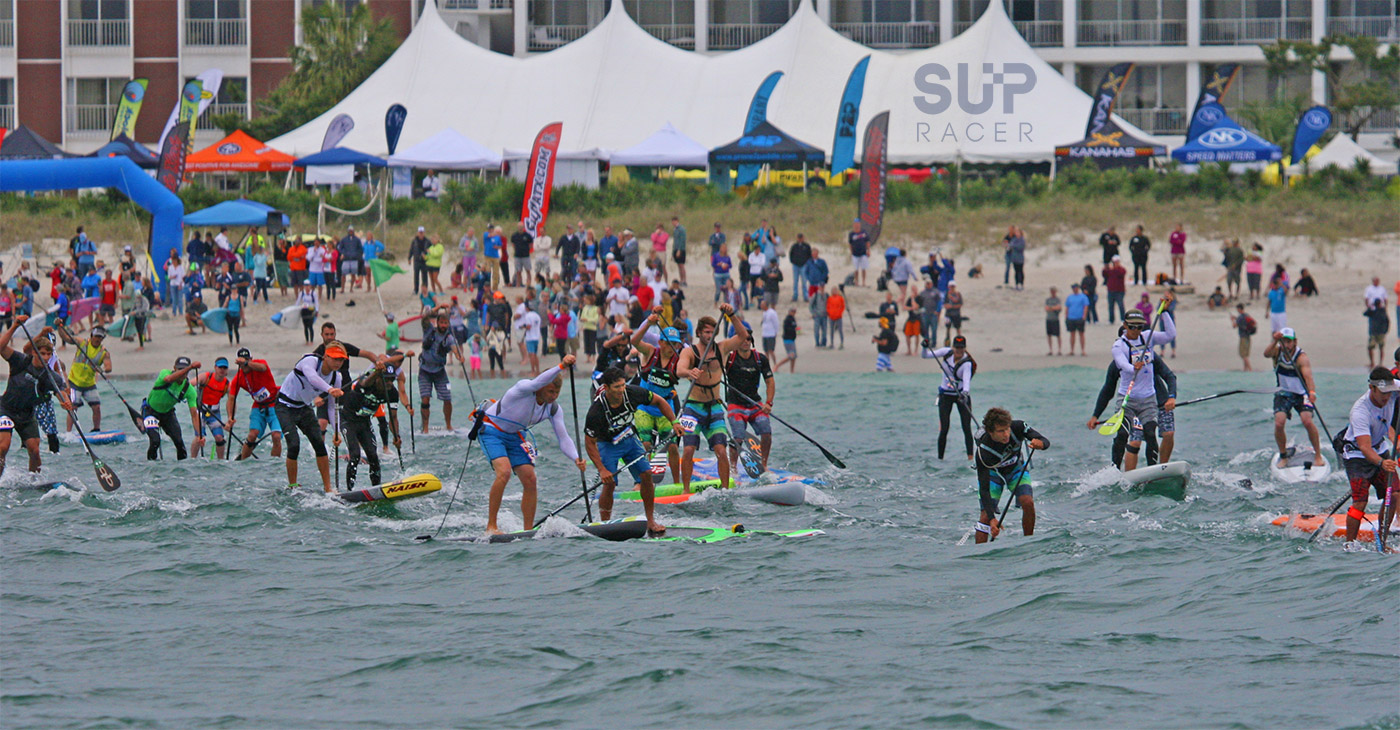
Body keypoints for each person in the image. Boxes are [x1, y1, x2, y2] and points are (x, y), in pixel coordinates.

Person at [477, 354, 589, 534]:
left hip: (515, 435)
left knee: (530, 479)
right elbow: (536, 382)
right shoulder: (523, 388)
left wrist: (576, 458)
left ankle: (527, 530)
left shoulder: (552, 409)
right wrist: (561, 366)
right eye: (550, 391)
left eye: (556, 393)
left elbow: (563, 438)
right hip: (491, 430)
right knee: (504, 472)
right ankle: (491, 526)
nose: (553, 396)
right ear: (541, 386)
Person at [586, 367, 679, 534]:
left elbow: (659, 401)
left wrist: (674, 422)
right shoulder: (596, 411)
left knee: (646, 475)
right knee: (610, 483)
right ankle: (605, 525)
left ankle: (651, 521)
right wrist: (602, 469)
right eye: (617, 387)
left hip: (629, 439)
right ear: (606, 388)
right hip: (607, 444)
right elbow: (590, 443)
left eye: (623, 385)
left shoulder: (632, 392)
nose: (622, 390)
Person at [676, 305, 746, 494]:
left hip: (714, 407)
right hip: (692, 408)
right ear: (699, 333)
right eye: (706, 332)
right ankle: (685, 490)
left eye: (712, 332)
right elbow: (679, 369)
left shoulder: (721, 348)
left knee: (721, 451)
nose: (709, 335)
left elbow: (743, 336)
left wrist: (731, 314)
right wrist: (689, 371)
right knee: (689, 450)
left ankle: (724, 490)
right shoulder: (690, 352)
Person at [1106, 296, 1176, 472]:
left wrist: (1165, 312)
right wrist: (1132, 367)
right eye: (1132, 327)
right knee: (1122, 435)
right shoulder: (1119, 345)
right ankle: (1114, 470)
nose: (1136, 330)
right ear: (1125, 325)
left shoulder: (1148, 338)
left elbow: (1170, 335)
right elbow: (1121, 363)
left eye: (1139, 327)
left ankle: (1153, 471)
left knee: (1151, 434)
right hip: (1127, 399)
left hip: (1148, 399)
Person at [0, 318, 74, 474]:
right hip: (6, 410)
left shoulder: (52, 377)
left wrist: (66, 402)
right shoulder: (20, 361)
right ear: (34, 352)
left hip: (27, 416)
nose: (45, 357)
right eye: (42, 354)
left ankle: (34, 480)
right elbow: (1, 347)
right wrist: (14, 326)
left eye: (48, 354)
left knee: (34, 451)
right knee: (3, 446)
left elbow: (61, 392)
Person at [275, 344, 346, 493]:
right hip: (284, 406)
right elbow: (312, 378)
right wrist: (329, 389)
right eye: (335, 358)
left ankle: (328, 488)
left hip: (304, 408)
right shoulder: (310, 361)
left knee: (319, 444)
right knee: (294, 445)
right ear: (326, 356)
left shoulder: (336, 377)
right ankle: (293, 486)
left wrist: (336, 431)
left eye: (341, 360)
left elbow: (332, 408)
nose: (338, 363)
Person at [1090, 345, 1176, 467]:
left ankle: (1161, 469)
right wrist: (1096, 415)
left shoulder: (1149, 356)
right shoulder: (1117, 364)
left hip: (1162, 403)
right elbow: (1107, 391)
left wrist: (1172, 397)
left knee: (1168, 434)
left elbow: (1170, 376)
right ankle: (1128, 478)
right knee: (1135, 442)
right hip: (1136, 406)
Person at [1338, 368, 1398, 543]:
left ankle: (1383, 541)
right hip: (1357, 456)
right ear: (1372, 388)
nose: (1386, 397)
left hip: (1380, 448)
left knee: (1394, 494)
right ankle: (1349, 545)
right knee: (1360, 503)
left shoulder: (1393, 389)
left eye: (1389, 392)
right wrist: (1381, 463)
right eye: (1382, 393)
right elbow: (1364, 447)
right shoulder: (1360, 411)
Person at [973, 407, 1049, 543]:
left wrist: (1041, 444)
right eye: (1001, 431)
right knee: (985, 517)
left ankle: (1028, 542)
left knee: (1028, 502)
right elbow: (984, 490)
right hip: (993, 475)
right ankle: (979, 555)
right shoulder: (983, 452)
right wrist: (992, 519)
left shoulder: (1018, 426)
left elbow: (1043, 440)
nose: (1006, 434)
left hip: (1015, 470)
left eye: (1007, 429)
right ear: (990, 432)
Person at [629, 312, 685, 483]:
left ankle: (677, 484)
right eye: (669, 344)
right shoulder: (650, 352)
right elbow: (634, 341)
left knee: (673, 447)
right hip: (644, 408)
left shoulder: (679, 359)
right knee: (646, 446)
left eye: (676, 344)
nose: (673, 347)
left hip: (665, 407)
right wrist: (648, 322)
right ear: (661, 342)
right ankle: (642, 483)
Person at [338, 353, 406, 491]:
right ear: (378, 378)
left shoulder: (392, 393)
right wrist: (376, 372)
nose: (388, 384)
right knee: (355, 455)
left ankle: (376, 489)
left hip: (364, 423)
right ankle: (349, 491)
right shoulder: (368, 383)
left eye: (391, 380)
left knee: (373, 457)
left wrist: (396, 436)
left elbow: (393, 417)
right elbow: (364, 383)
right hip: (348, 421)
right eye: (385, 380)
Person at [1260, 328, 1324, 468]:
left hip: (1302, 394)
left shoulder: (1301, 357)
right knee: (1279, 422)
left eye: (1289, 342)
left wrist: (1312, 392)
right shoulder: (1277, 352)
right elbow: (1266, 354)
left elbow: (1308, 377)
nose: (1287, 345)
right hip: (1283, 393)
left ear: (1295, 342)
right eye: (1284, 342)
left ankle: (1318, 455)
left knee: (1307, 421)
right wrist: (1275, 340)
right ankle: (1283, 456)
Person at [724, 319, 776, 472]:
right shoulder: (729, 359)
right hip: (735, 405)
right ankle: (733, 468)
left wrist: (768, 403)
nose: (746, 341)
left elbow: (770, 383)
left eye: (748, 338)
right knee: (738, 437)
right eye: (742, 338)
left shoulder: (760, 359)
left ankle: (764, 464)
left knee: (766, 432)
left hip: (755, 404)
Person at [142, 356, 206, 461]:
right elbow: (168, 379)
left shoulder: (189, 390)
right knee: (155, 441)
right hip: (150, 412)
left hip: (167, 414)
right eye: (179, 369)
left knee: (179, 443)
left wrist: (199, 435)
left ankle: (182, 472)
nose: (182, 373)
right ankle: (151, 467)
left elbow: (194, 415)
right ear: (174, 368)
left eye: (184, 370)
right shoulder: (165, 373)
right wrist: (189, 367)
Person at [227, 347, 284, 459]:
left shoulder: (260, 363)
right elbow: (231, 398)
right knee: (252, 435)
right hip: (259, 407)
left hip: (274, 404)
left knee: (276, 436)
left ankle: (274, 464)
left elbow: (263, 368)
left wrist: (247, 363)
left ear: (251, 359)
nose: (245, 365)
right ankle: (243, 460)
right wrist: (230, 417)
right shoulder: (238, 378)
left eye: (247, 360)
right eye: (242, 362)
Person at [925, 336, 976, 460]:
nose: (959, 350)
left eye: (961, 348)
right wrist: (924, 347)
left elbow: (966, 380)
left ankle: (970, 458)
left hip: (961, 396)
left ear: (965, 348)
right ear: (953, 347)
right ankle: (940, 458)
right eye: (957, 348)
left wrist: (965, 393)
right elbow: (925, 355)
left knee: (966, 428)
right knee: (944, 428)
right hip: (945, 395)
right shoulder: (946, 353)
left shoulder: (967, 362)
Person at [419, 313, 464, 433]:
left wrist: (459, 356)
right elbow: (424, 317)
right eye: (441, 323)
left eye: (446, 323)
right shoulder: (429, 331)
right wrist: (437, 308)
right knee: (425, 399)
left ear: (448, 324)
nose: (443, 325)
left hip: (440, 372)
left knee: (447, 398)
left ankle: (449, 425)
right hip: (424, 371)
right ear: (437, 323)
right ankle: (425, 428)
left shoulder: (449, 338)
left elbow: (454, 348)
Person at [64, 325, 110, 432]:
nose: (98, 339)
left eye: (100, 337)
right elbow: (67, 338)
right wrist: (60, 327)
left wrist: (102, 370)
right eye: (96, 336)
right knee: (72, 407)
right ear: (92, 336)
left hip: (89, 384)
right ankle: (69, 432)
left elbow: (109, 367)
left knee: (97, 407)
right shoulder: (82, 343)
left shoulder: (104, 352)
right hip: (74, 382)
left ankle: (96, 429)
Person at [195, 357, 234, 459]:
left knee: (219, 437)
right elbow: (189, 385)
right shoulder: (206, 377)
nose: (222, 370)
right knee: (199, 437)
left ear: (227, 370)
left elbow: (231, 401)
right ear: (215, 368)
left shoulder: (227, 385)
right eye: (220, 367)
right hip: (200, 410)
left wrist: (230, 419)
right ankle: (193, 459)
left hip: (214, 413)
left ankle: (221, 461)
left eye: (224, 368)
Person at [514, 300, 543, 376]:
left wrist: (523, 326)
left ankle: (533, 371)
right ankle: (538, 370)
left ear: (527, 308)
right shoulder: (537, 316)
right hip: (536, 337)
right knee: (535, 354)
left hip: (530, 337)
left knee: (531, 354)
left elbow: (529, 326)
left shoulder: (528, 316)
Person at [1365, 299, 1390, 368]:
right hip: (1375, 332)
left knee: (1380, 347)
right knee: (1372, 347)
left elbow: (1387, 321)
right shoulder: (1372, 311)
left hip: (1379, 332)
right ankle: (1373, 362)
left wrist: (1385, 330)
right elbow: (1365, 313)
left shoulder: (1382, 311)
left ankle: (1380, 363)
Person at [1232, 303, 1256, 371]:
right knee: (1246, 354)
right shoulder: (1246, 315)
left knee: (1243, 354)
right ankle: (1245, 369)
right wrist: (1235, 318)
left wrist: (1233, 320)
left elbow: (1234, 326)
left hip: (1243, 337)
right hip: (1248, 337)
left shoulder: (1240, 317)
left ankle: (1250, 369)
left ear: (1239, 309)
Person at [1103, 255, 1127, 323]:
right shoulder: (1110, 270)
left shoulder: (1122, 269)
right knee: (1111, 306)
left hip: (1119, 291)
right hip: (1110, 290)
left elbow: (1121, 273)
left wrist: (1115, 268)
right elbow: (1104, 274)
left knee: (1120, 305)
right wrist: (1105, 268)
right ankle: (1111, 319)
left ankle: (1123, 319)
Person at [787, 232, 810, 302]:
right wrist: (794, 262)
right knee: (795, 281)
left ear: (803, 238)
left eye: (801, 238)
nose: (800, 239)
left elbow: (809, 255)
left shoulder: (806, 246)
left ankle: (806, 296)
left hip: (803, 266)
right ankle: (795, 296)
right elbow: (791, 255)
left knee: (804, 281)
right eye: (799, 238)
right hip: (796, 266)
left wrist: (806, 263)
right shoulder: (794, 246)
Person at [848, 219, 870, 287]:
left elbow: (867, 242)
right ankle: (856, 281)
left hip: (863, 253)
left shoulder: (864, 233)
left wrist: (868, 250)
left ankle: (863, 282)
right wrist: (851, 252)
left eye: (858, 224)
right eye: (855, 224)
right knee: (856, 269)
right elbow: (850, 243)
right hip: (855, 253)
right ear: (854, 225)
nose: (857, 225)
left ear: (860, 224)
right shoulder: (851, 234)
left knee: (864, 268)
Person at [776, 308, 798, 372]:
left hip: (792, 339)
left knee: (794, 356)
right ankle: (777, 365)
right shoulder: (787, 319)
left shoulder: (793, 319)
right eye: (792, 311)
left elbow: (794, 327)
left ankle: (792, 370)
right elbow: (787, 329)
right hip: (788, 340)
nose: (794, 313)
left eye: (794, 312)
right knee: (791, 356)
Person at [1045, 286, 1063, 356]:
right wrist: (1053, 308)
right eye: (1052, 291)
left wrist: (1051, 307)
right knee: (1049, 335)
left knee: (1058, 335)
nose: (1053, 293)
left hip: (1055, 319)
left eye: (1054, 291)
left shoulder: (1057, 299)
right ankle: (1050, 350)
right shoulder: (1048, 300)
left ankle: (1059, 350)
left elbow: (1059, 307)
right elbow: (1046, 308)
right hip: (1049, 318)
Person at [827, 284, 846, 349]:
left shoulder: (840, 298)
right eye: (833, 290)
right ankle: (832, 343)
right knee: (831, 331)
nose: (834, 291)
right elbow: (828, 307)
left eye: (835, 290)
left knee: (840, 330)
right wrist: (830, 313)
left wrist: (839, 313)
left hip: (838, 317)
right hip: (831, 317)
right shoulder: (830, 298)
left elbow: (843, 307)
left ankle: (842, 343)